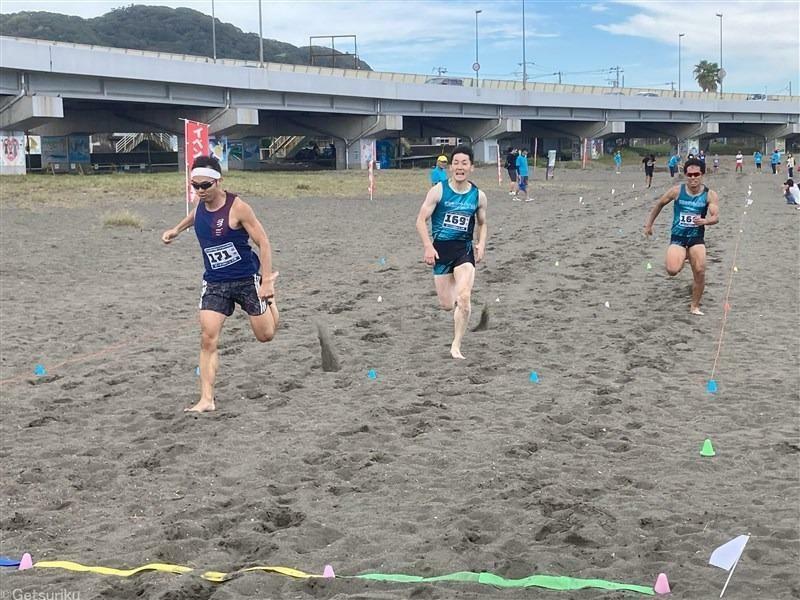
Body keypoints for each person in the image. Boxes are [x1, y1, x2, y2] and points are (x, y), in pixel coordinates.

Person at [161, 155, 279, 412]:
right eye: (196, 186)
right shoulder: (201, 203)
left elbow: (264, 242)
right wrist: (176, 230)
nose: (200, 191)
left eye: (206, 185)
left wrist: (267, 281)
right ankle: (206, 399)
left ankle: (271, 301)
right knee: (207, 339)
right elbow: (196, 216)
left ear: (219, 181)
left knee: (266, 335)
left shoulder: (238, 207)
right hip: (215, 282)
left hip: (247, 279)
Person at [415, 144, 488, 359]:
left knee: (464, 297)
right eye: (456, 163)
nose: (459, 167)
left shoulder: (478, 196)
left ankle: (456, 345)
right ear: (450, 167)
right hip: (441, 253)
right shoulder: (438, 191)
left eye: (464, 163)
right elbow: (420, 220)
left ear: (471, 167)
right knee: (447, 304)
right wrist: (428, 246)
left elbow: (483, 223)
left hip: (464, 251)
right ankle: (458, 302)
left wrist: (481, 244)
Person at [643, 157, 720, 316]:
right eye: (689, 174)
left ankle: (694, 306)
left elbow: (715, 216)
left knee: (700, 270)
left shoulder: (709, 195)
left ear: (702, 174)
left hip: (696, 239)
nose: (693, 178)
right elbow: (659, 204)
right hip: (678, 237)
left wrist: (706, 220)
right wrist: (649, 225)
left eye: (696, 174)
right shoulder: (677, 191)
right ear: (685, 175)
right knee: (672, 270)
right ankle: (683, 255)